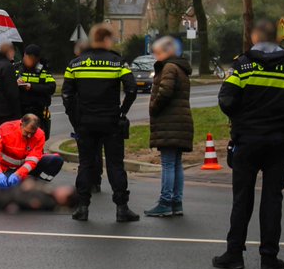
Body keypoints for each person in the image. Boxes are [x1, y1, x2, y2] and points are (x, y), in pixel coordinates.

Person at [214, 20, 284, 269]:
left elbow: (226, 100)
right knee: (272, 200)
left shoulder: (242, 66)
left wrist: (243, 116)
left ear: (255, 38)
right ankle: (269, 258)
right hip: (278, 143)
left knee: (242, 198)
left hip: (247, 140)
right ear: (277, 39)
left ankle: (234, 254)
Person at [62, 24, 139, 222]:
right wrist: (122, 112)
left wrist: (75, 119)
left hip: (85, 123)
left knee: (85, 164)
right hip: (111, 121)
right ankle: (122, 208)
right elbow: (131, 89)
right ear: (106, 40)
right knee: (115, 164)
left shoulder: (75, 64)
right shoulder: (117, 62)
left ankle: (82, 207)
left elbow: (67, 95)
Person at [144, 36, 194, 218]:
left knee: (168, 163)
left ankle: (165, 202)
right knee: (176, 163)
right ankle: (176, 202)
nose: (155, 55)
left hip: (169, 122)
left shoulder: (169, 68)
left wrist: (153, 107)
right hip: (180, 122)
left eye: (157, 52)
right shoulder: (180, 67)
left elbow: (165, 92)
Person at [16, 44, 57, 139]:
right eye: (25, 57)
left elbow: (51, 88)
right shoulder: (18, 69)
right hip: (21, 110)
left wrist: (31, 87)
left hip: (37, 109)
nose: (27, 60)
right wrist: (16, 83)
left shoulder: (44, 71)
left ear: (37, 59)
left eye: (30, 58)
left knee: (37, 137)